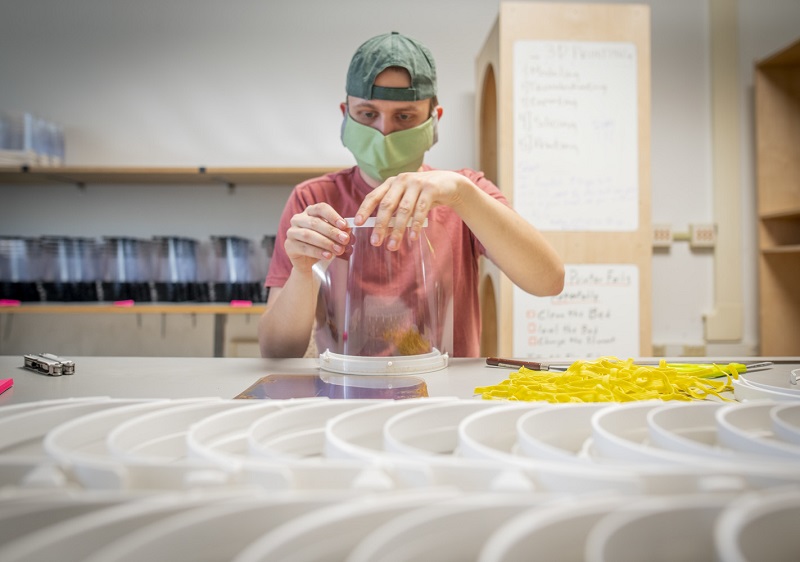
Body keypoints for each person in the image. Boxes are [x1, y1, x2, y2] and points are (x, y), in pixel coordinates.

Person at [259, 31, 564, 358]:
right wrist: (304, 272)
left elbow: (548, 281)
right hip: (345, 390)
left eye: (405, 117)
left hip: (445, 394)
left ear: (434, 121)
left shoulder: (464, 193)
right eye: (367, 114)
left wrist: (463, 196)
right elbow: (277, 351)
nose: (385, 131)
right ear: (345, 114)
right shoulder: (313, 201)